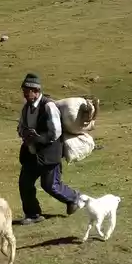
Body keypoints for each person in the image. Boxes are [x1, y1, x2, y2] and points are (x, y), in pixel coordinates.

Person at [16, 72, 81, 224]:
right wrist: (24, 133)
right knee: (25, 183)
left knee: (51, 185)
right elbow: (20, 127)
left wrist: (39, 137)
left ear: (36, 91)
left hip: (49, 154)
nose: (25, 94)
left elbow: (55, 132)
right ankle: (33, 215)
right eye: (24, 91)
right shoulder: (26, 108)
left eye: (27, 91)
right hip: (31, 154)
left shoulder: (49, 106)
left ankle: (74, 198)